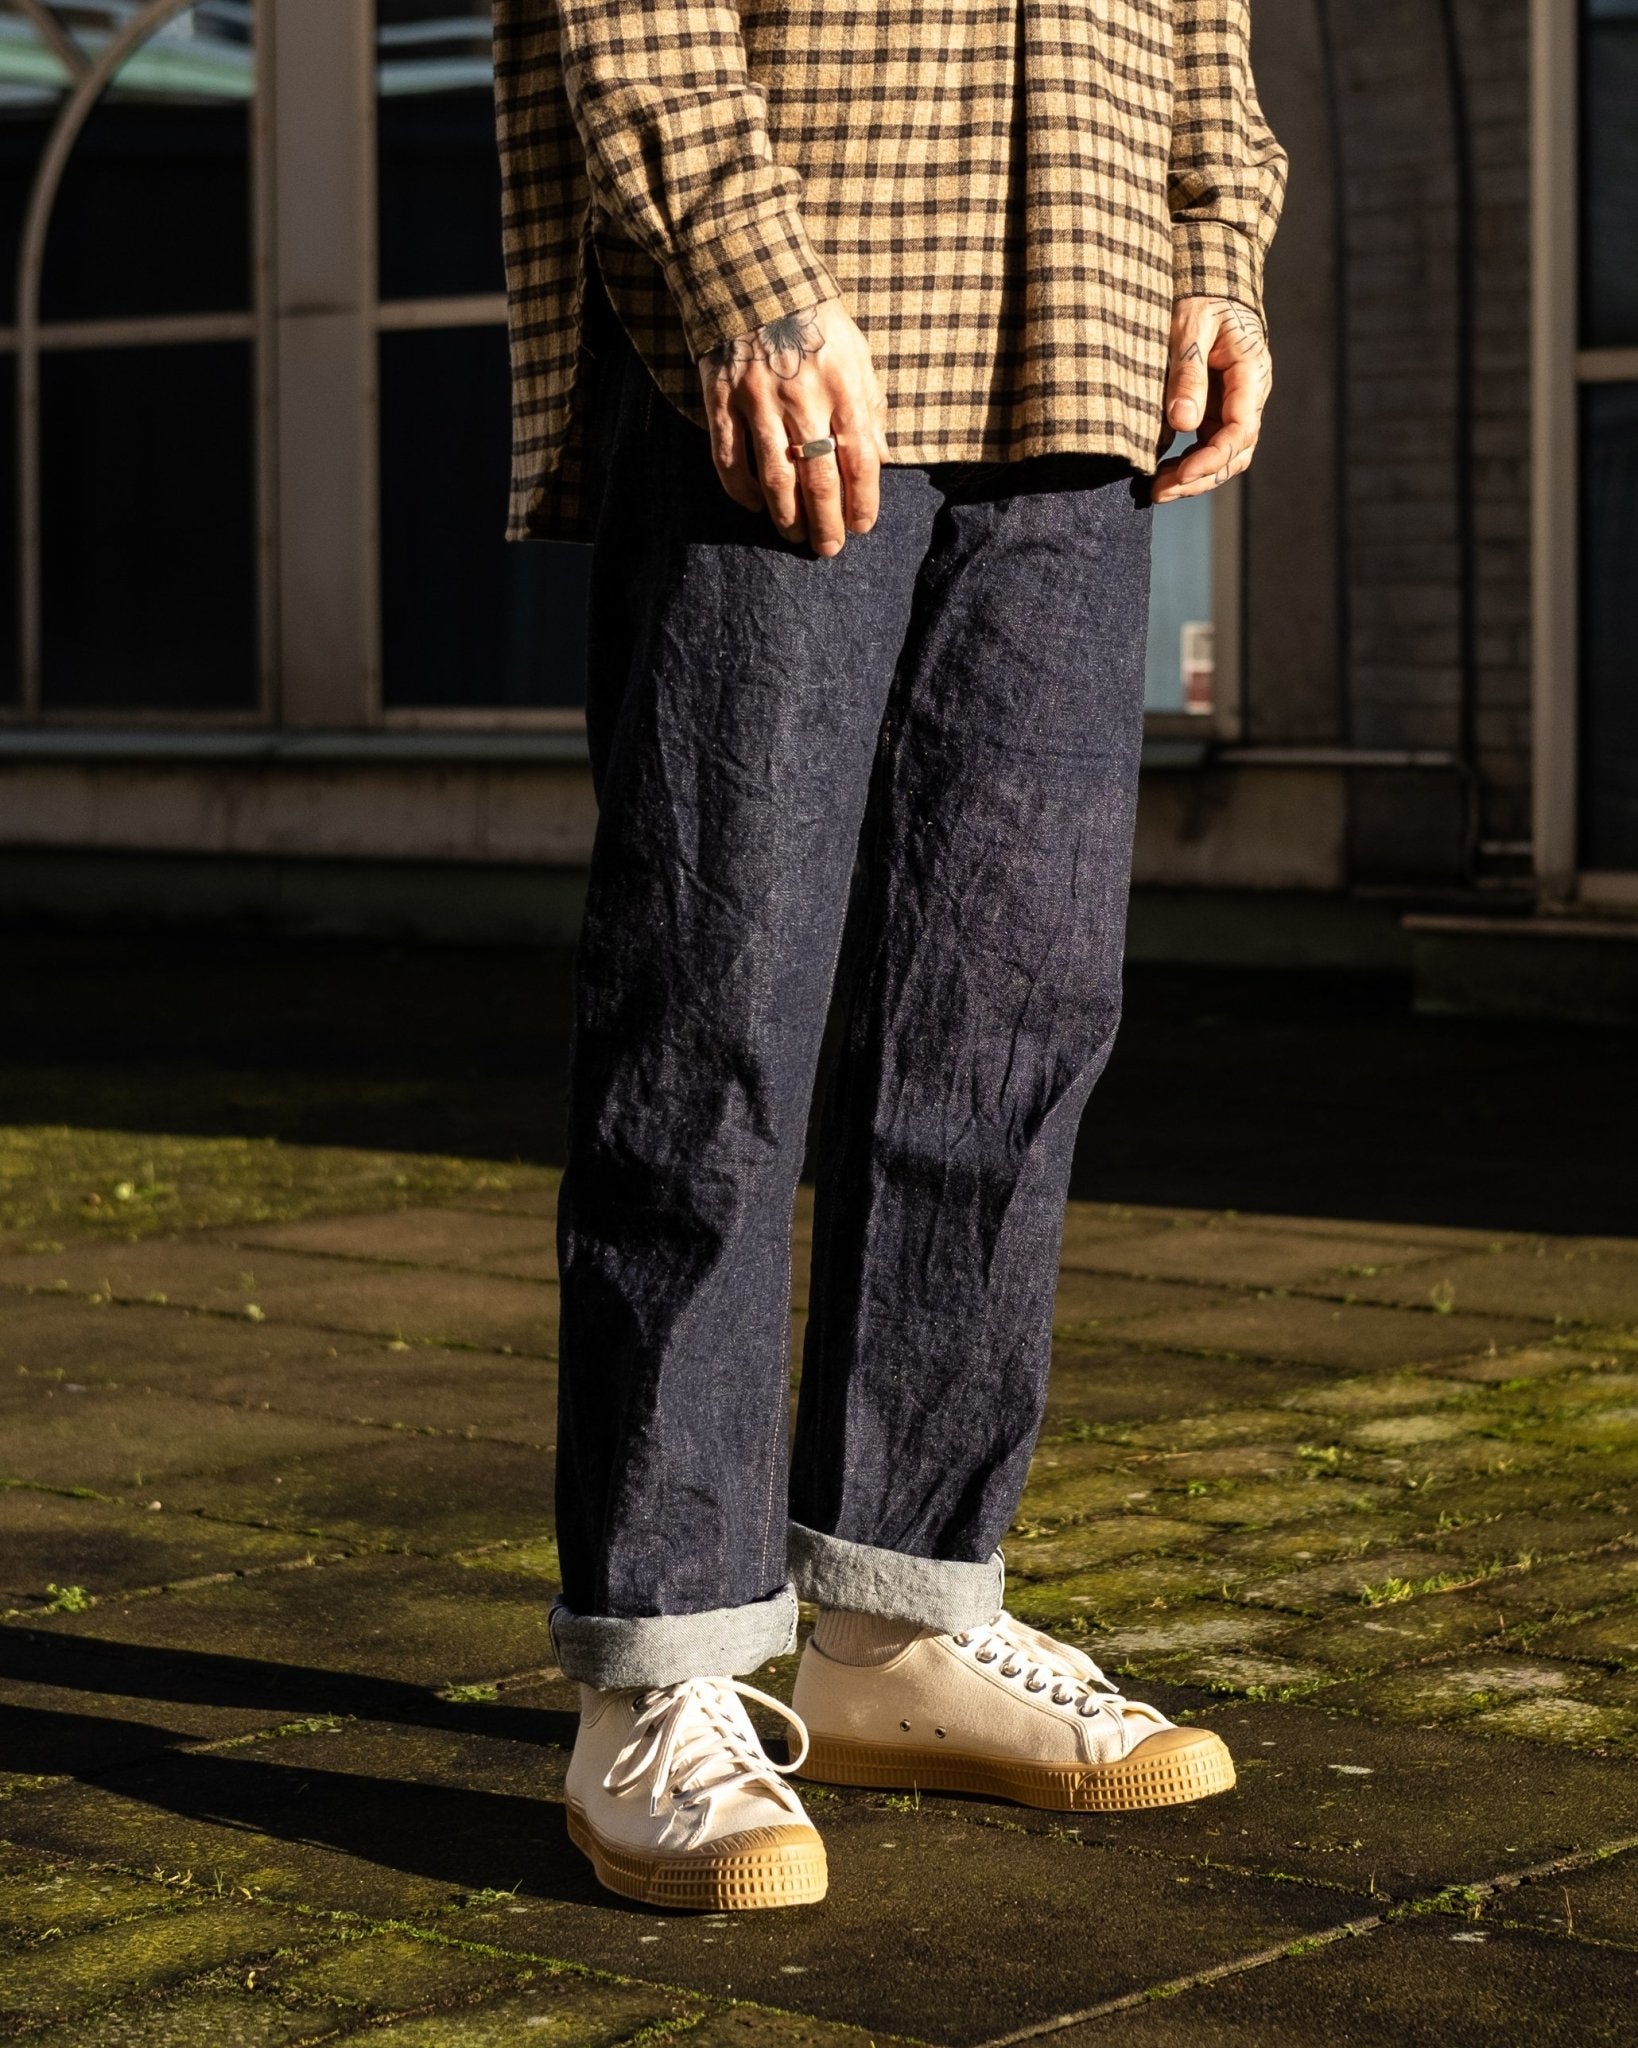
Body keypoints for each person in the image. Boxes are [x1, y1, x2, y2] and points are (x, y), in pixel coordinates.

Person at [492, 0, 1286, 1912]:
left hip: (1084, 335)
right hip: (808, 302)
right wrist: (742, 271)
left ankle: (899, 1620)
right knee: (717, 1014)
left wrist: (1215, 240)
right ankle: (660, 1665)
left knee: (1008, 1018)